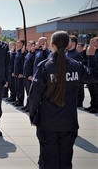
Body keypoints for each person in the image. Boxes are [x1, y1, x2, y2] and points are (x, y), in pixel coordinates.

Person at [27, 30, 95, 169]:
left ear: (52, 44)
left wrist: (33, 117)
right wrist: (92, 58)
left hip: (48, 123)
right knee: (65, 161)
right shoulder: (76, 66)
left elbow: (33, 97)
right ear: (69, 44)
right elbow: (93, 76)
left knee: (48, 161)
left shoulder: (45, 66)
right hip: (68, 123)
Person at [66, 35, 84, 107]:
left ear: (73, 43)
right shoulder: (67, 53)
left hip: (74, 80)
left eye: (68, 41)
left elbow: (79, 68)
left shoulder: (76, 55)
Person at [21, 40, 36, 112]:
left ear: (33, 46)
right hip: (26, 76)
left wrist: (32, 75)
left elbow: (35, 66)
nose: (27, 47)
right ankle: (27, 105)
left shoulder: (34, 54)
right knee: (27, 92)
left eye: (29, 45)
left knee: (30, 93)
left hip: (30, 77)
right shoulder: (28, 54)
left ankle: (30, 107)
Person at [13, 39, 26, 107]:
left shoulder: (23, 52)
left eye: (18, 42)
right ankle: (18, 100)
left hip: (20, 74)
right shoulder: (18, 52)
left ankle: (21, 101)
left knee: (20, 88)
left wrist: (22, 73)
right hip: (16, 73)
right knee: (17, 88)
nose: (17, 43)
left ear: (22, 44)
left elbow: (23, 64)